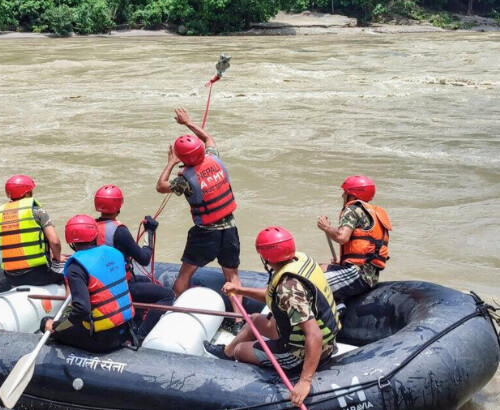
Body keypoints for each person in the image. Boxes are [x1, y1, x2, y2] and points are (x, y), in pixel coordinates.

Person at [204, 227, 341, 408]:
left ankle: (238, 355)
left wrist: (304, 382)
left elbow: (314, 334)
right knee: (255, 320)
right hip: (315, 337)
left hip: (303, 351)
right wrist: (239, 290)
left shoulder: (289, 288)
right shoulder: (301, 262)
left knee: (241, 351)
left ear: (266, 258)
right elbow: (272, 295)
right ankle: (227, 353)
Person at [155, 108, 243, 327]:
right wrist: (188, 122)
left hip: (205, 234)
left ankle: (173, 312)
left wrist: (171, 162)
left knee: (185, 274)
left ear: (183, 158)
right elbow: (208, 138)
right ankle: (239, 321)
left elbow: (160, 187)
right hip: (229, 229)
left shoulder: (185, 179)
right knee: (232, 277)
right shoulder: (214, 158)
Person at [41, 215, 135, 353]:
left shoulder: (76, 267)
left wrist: (56, 326)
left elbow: (82, 310)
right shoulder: (115, 253)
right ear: (95, 234)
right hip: (126, 330)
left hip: (101, 339)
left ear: (71, 241)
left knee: (45, 322)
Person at [94, 184, 175, 343]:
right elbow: (144, 258)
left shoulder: (91, 227)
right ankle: (141, 334)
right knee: (168, 295)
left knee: (145, 281)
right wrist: (150, 232)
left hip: (99, 285)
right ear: (119, 206)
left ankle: (134, 321)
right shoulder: (119, 231)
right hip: (119, 287)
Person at [317, 175, 392, 302]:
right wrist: (345, 259)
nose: (342, 196)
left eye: (345, 193)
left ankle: (337, 310)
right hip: (369, 277)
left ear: (353, 196)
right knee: (317, 267)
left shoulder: (352, 209)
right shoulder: (374, 214)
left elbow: (342, 237)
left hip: (356, 276)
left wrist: (326, 228)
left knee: (307, 283)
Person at [0, 174, 66, 288]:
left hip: (11, 276)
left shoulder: (0, 214)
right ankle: (72, 305)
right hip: (37, 274)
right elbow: (54, 241)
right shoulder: (37, 211)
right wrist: (57, 257)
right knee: (70, 275)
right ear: (27, 193)